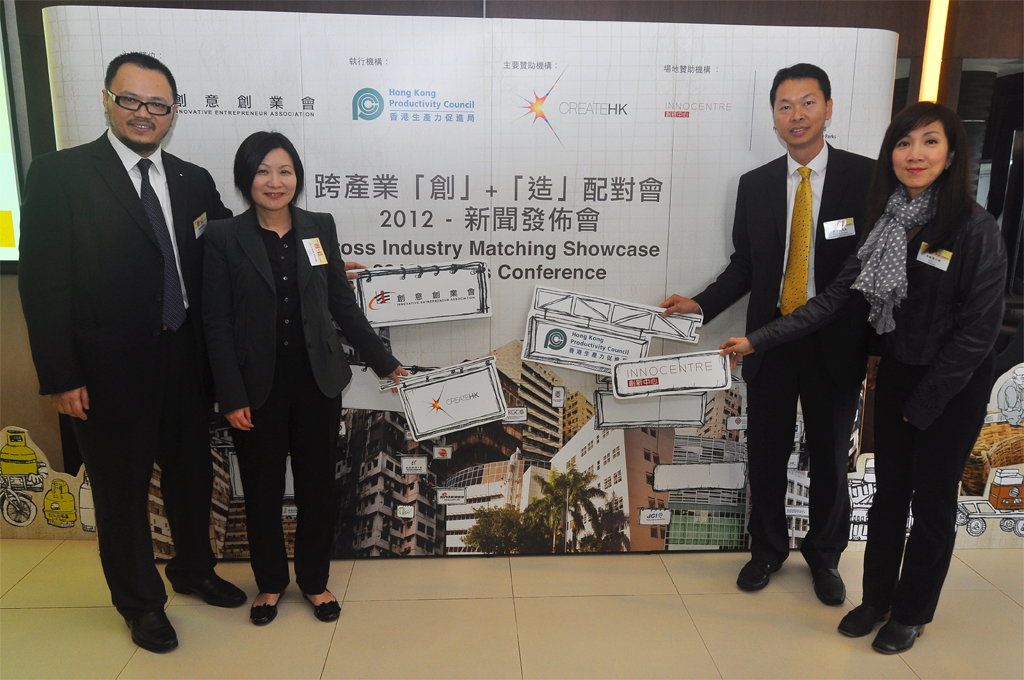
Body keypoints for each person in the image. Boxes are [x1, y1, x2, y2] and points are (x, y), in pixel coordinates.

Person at [721, 101, 1007, 653]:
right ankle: (876, 599)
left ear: (951, 155)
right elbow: (833, 297)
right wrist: (760, 338)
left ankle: (912, 611)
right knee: (888, 496)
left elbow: (978, 332)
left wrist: (923, 404)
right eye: (904, 143)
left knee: (932, 503)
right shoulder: (889, 221)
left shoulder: (974, 228)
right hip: (898, 373)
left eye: (929, 142)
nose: (915, 154)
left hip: (953, 386)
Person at [18, 52, 245, 653]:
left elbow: (232, 248)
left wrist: (305, 261)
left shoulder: (192, 179)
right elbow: (42, 283)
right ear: (107, 100)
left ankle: (193, 569)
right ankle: (140, 602)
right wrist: (61, 375)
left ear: (175, 112)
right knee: (121, 491)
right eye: (132, 100)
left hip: (186, 362)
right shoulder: (58, 175)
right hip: (105, 371)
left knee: (193, 476)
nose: (145, 114)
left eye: (158, 105)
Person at [659, 63, 873, 604]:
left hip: (836, 343)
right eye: (785, 105)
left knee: (829, 456)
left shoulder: (866, 179)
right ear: (773, 116)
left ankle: (825, 558)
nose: (796, 115)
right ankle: (769, 550)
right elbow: (746, 266)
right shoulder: (755, 185)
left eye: (807, 103)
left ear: (828, 107)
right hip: (769, 342)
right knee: (767, 451)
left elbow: (869, 274)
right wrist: (700, 305)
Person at [203, 131, 408, 626]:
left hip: (318, 382)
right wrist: (230, 394)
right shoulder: (223, 236)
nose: (275, 182)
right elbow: (216, 322)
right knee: (263, 489)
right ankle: (270, 583)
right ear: (245, 179)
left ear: (298, 176)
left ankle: (314, 582)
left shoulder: (319, 227)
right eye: (263, 172)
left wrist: (384, 361)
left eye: (285, 171)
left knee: (318, 487)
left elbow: (341, 302)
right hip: (256, 389)